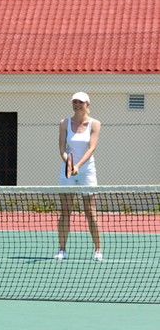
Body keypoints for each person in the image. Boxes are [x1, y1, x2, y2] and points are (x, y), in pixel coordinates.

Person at [56, 91, 102, 261]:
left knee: (90, 212)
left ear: (87, 105)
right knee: (65, 211)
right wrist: (69, 164)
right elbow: (62, 149)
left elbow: (91, 148)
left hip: (87, 170)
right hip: (67, 170)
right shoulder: (64, 123)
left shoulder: (95, 124)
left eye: (80, 102)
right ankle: (62, 250)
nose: (77, 105)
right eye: (74, 102)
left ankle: (98, 250)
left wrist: (78, 166)